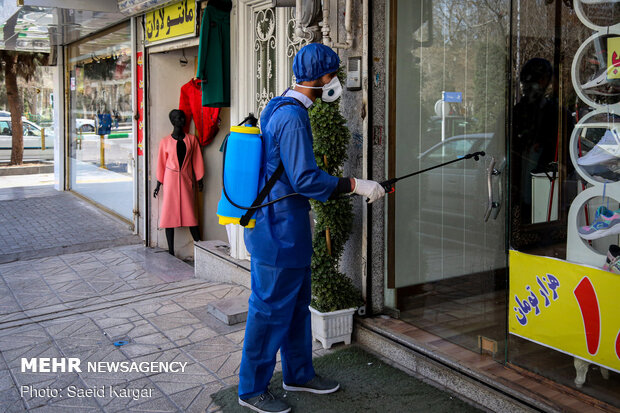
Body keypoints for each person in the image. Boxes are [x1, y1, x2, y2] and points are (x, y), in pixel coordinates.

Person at [237, 43, 386, 413]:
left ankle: (299, 373)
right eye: (333, 74)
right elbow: (304, 178)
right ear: (322, 78)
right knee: (269, 310)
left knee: (296, 305)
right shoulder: (292, 117)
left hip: (287, 228)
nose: (335, 80)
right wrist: (355, 185)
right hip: (278, 231)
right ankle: (251, 389)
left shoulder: (278, 104)